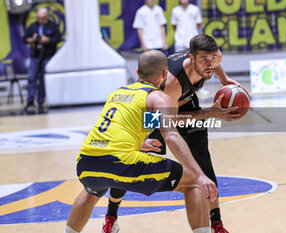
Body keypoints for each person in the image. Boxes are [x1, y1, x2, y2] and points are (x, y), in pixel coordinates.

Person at [64, 50, 217, 233]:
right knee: (193, 183)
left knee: (91, 191)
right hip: (120, 161)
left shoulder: (118, 93)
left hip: (86, 161)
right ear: (163, 74)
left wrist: (139, 143)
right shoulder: (158, 97)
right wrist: (200, 174)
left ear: (138, 73)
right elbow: (171, 135)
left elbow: (121, 126)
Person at [104, 34, 240, 233]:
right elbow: (168, 122)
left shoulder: (212, 57)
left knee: (203, 159)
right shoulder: (171, 83)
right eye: (204, 59)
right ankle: (111, 217)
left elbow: (214, 63)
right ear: (192, 59)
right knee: (133, 160)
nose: (210, 64)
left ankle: (216, 223)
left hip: (184, 102)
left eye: (213, 59)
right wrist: (208, 113)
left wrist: (225, 80)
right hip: (154, 110)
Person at [23, 8, 61, 114]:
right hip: (35, 56)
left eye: (42, 18)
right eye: (39, 18)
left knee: (43, 80)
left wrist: (47, 40)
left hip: (48, 56)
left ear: (46, 17)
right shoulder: (33, 26)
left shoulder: (52, 26)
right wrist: (31, 40)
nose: (40, 20)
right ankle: (30, 102)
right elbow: (25, 38)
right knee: (32, 78)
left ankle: (40, 101)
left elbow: (58, 38)